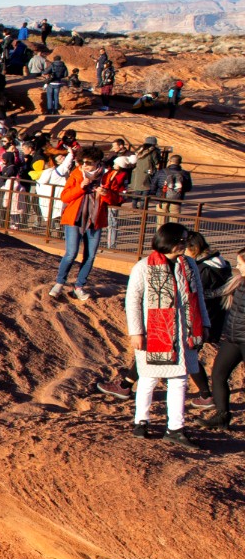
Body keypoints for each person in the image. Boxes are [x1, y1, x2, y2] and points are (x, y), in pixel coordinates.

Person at [124, 222, 208, 441]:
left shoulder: (189, 264)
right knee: (148, 378)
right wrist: (136, 332)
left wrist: (204, 324)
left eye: (185, 240)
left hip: (184, 332)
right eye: (181, 241)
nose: (185, 245)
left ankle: (175, 428)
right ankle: (141, 421)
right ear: (168, 241)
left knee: (179, 379)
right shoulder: (143, 266)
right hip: (155, 332)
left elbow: (198, 297)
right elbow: (132, 300)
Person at [50, 147, 123, 298]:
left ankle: (79, 287)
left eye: (88, 162)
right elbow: (65, 197)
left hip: (95, 221)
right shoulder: (76, 174)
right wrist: (81, 187)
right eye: (81, 162)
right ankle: (59, 284)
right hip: (75, 219)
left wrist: (106, 194)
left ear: (97, 162)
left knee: (90, 256)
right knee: (71, 253)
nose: (84, 165)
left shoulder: (107, 177)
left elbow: (116, 200)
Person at [186, 234, 231, 402]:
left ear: (193, 249)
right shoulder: (222, 263)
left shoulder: (203, 269)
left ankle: (206, 395)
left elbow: (197, 296)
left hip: (201, 320)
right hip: (215, 318)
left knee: (188, 354)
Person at [204, 251, 245, 429]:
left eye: (240, 263)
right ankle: (222, 416)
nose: (237, 267)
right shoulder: (238, 282)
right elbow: (215, 293)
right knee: (218, 374)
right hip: (233, 338)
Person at [35, 145, 72, 225]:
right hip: (58, 197)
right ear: (55, 161)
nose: (62, 158)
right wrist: (71, 153)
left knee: (52, 216)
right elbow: (66, 164)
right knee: (58, 215)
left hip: (48, 199)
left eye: (63, 156)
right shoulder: (57, 172)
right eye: (60, 157)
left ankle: (51, 232)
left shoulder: (42, 174)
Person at [153, 153, 192, 224]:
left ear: (170, 161)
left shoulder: (161, 172)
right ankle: (173, 234)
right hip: (176, 199)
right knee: (174, 222)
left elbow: (154, 185)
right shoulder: (185, 173)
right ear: (180, 163)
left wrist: (154, 195)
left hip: (162, 198)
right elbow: (188, 188)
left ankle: (160, 234)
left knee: (161, 221)